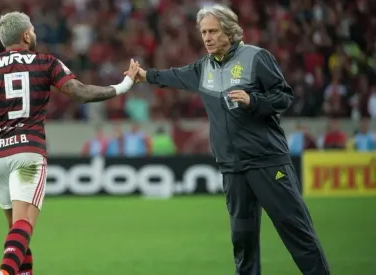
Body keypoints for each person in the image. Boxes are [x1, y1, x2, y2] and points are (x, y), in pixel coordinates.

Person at [125, 4, 330, 275]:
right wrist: (145, 75)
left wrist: (253, 100)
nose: (207, 38)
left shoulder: (257, 58)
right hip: (232, 167)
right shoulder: (203, 68)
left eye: (213, 31)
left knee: (295, 231)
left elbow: (284, 97)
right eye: (203, 32)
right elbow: (174, 76)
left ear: (230, 32)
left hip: (267, 162)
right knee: (242, 242)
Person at [0, 11, 140, 275]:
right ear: (26, 35)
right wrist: (124, 85)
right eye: (32, 30)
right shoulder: (46, 62)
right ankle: (3, 272)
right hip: (27, 153)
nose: (34, 33)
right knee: (24, 225)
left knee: (17, 232)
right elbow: (79, 92)